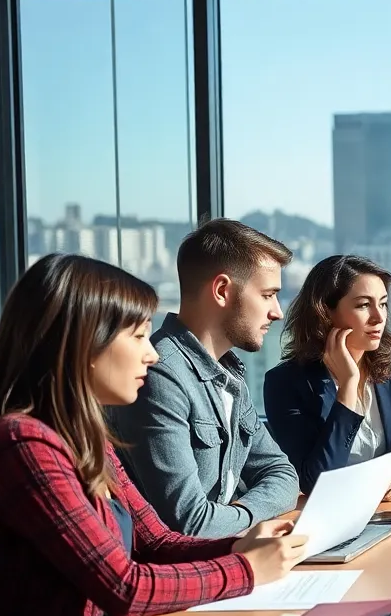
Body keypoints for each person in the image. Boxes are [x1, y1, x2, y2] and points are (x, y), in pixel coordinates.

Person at [0, 254, 307, 616]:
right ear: (83, 343)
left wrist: (240, 544)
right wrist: (246, 570)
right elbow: (125, 587)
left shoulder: (86, 438)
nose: (152, 352)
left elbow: (156, 542)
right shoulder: (22, 445)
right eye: (138, 335)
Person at [108, 219, 300, 538]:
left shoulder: (228, 372)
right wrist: (255, 521)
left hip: (225, 557)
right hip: (188, 574)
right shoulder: (160, 375)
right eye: (268, 295)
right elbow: (191, 525)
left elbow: (283, 474)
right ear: (222, 290)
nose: (277, 312)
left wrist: (236, 517)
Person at [264, 255, 391, 496]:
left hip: (389, 512)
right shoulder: (286, 384)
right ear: (325, 312)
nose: (379, 317)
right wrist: (348, 387)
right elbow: (313, 481)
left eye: (382, 304)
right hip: (324, 517)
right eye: (363, 305)